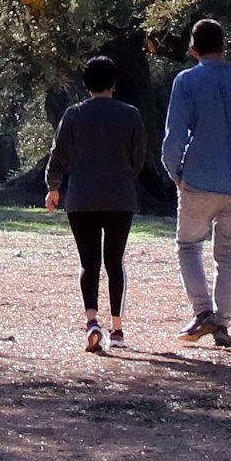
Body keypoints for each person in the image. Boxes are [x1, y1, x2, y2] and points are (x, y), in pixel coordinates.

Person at [158, 16, 231, 347]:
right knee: (228, 253)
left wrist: (174, 171)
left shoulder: (186, 81)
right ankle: (222, 324)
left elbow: (175, 134)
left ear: (193, 49)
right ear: (223, 46)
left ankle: (203, 311)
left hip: (199, 180)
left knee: (189, 246)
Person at [42, 54, 150, 353]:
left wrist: (53, 187)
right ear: (114, 83)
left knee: (88, 263)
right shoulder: (131, 114)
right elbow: (138, 158)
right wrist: (122, 175)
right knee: (114, 262)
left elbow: (58, 154)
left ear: (86, 83)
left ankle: (92, 321)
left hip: (81, 198)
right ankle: (117, 329)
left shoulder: (74, 115)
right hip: (120, 197)